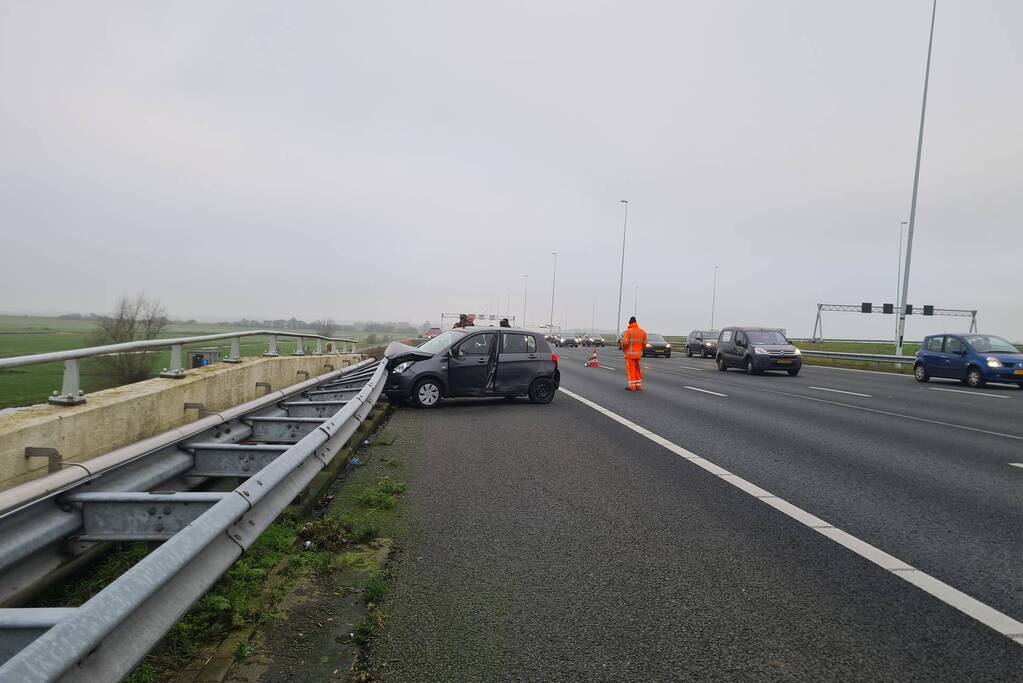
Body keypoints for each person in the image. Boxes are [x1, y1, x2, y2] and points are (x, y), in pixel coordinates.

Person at [618, 316, 647, 391]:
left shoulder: (628, 331)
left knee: (631, 370)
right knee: (637, 370)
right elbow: (645, 344)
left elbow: (625, 343)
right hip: (638, 354)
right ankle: (638, 385)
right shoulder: (642, 331)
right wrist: (640, 350)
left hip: (630, 355)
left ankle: (632, 386)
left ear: (630, 323)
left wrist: (624, 349)